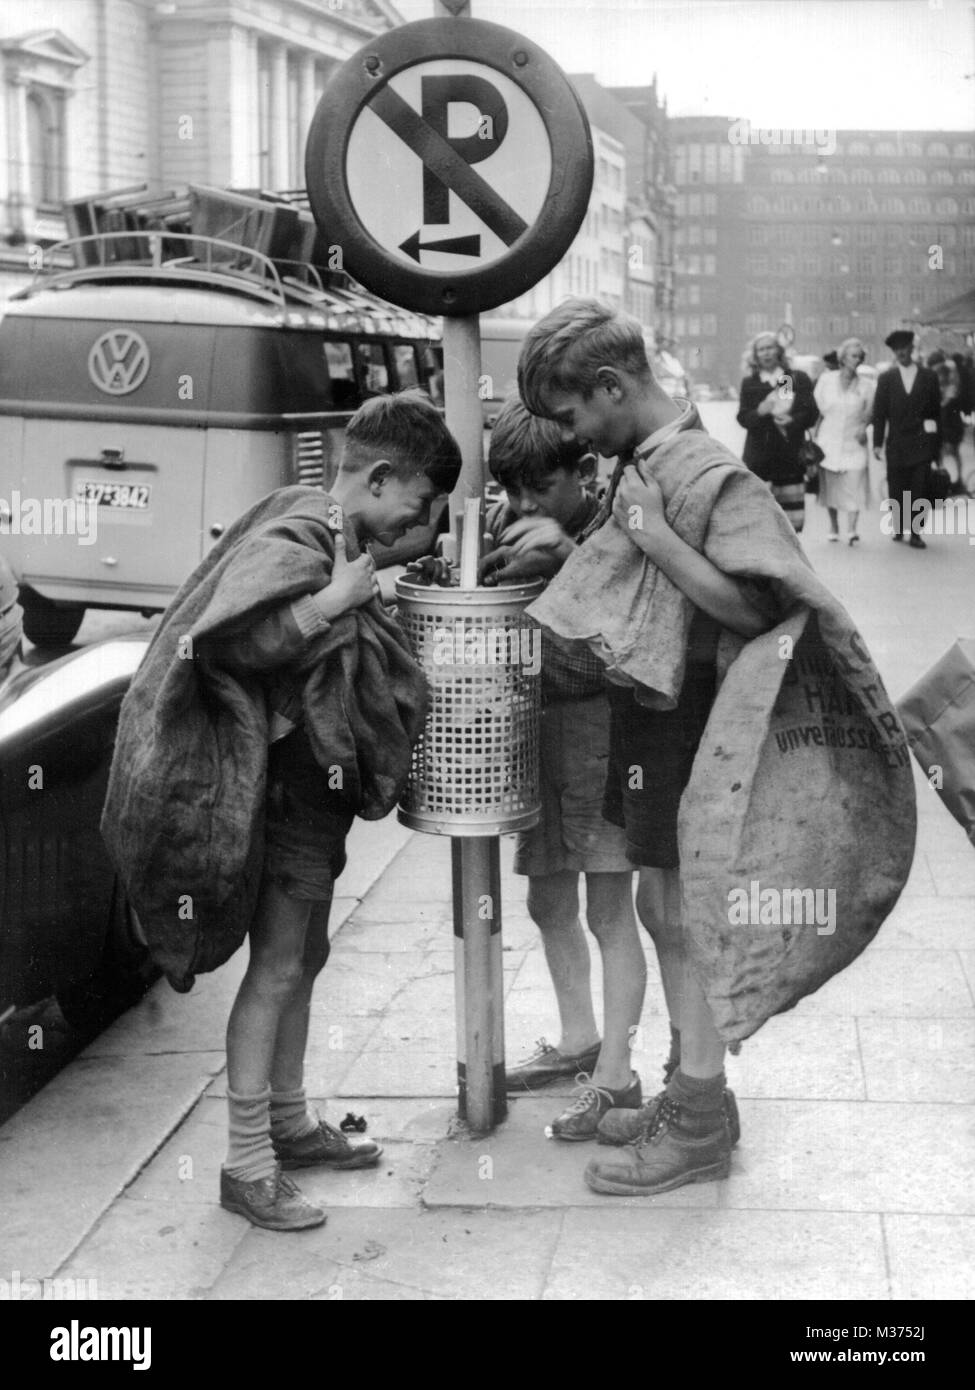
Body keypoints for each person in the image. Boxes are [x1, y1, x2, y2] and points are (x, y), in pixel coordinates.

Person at [102, 392, 461, 1231]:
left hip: (312, 798)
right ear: (377, 478)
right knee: (277, 968)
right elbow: (233, 642)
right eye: (419, 507)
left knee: (303, 956)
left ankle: (291, 1122)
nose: (423, 525)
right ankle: (245, 1164)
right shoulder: (301, 537)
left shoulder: (328, 535)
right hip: (281, 790)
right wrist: (335, 603)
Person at [517, 299, 775, 1196]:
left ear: (611, 386)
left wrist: (656, 539)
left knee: (683, 915)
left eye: (574, 416)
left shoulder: (704, 471)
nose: (575, 437)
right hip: (652, 715)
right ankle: (692, 1091)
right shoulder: (645, 458)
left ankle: (697, 1118)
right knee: (665, 912)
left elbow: (759, 610)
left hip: (689, 720)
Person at [473, 399, 643, 1140]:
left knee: (608, 910)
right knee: (547, 901)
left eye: (534, 490)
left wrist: (563, 565)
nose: (518, 507)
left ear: (584, 472)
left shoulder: (614, 530)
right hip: (536, 731)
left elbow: (618, 648)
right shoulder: (514, 523)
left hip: (600, 732)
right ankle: (578, 1039)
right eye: (507, 491)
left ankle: (616, 1075)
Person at [737, 331, 819, 532]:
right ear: (755, 355)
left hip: (789, 460)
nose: (766, 353)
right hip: (760, 462)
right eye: (761, 349)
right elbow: (743, 418)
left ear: (779, 351)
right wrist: (759, 412)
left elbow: (811, 413)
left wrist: (793, 420)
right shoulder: (751, 382)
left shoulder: (793, 379)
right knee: (761, 523)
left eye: (770, 348)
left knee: (790, 526)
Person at [872, 330, 941, 549]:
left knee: (919, 487)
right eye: (896, 349)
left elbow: (934, 414)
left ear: (912, 349)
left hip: (921, 442)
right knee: (898, 487)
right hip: (897, 443)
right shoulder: (886, 379)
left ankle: (916, 533)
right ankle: (900, 525)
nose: (901, 352)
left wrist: (936, 447)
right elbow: (879, 414)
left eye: (905, 348)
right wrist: (876, 443)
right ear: (893, 352)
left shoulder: (929, 377)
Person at [813, 337, 874, 544]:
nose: (856, 360)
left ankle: (852, 529)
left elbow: (870, 413)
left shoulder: (867, 385)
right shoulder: (826, 380)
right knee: (832, 486)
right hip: (828, 441)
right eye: (852, 356)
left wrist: (865, 428)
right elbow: (818, 410)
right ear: (842, 358)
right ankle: (834, 525)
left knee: (854, 484)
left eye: (859, 356)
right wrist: (814, 434)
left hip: (854, 442)